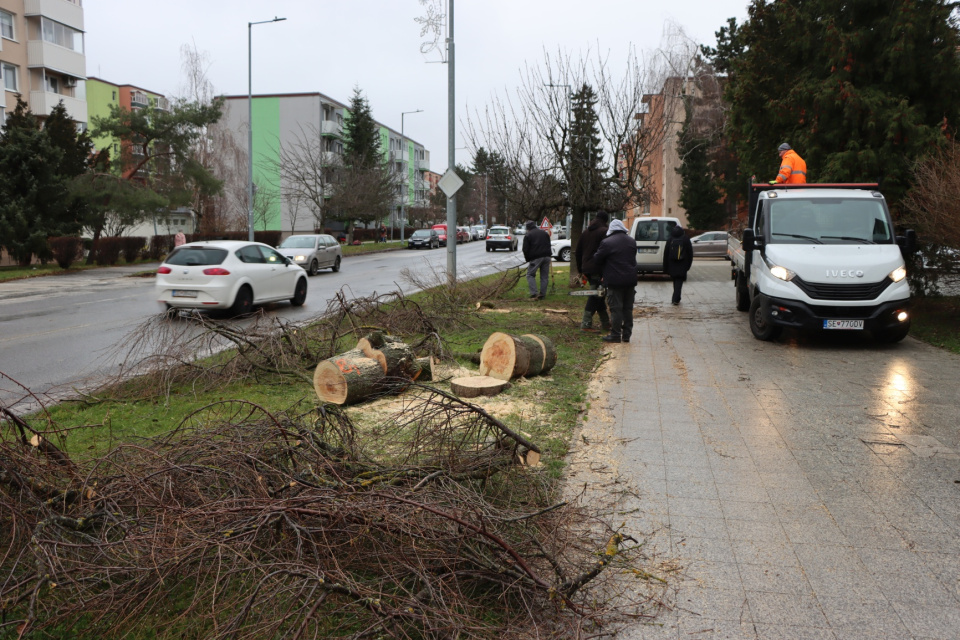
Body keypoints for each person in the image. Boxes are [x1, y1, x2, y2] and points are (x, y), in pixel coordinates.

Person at [589, 219, 637, 343]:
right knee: (627, 308)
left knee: (616, 308)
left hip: (615, 281)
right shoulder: (632, 241)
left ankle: (615, 335)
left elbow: (597, 258)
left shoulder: (607, 242)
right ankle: (627, 335)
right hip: (630, 280)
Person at [575, 211, 611, 333]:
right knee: (596, 295)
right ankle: (585, 324)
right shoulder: (604, 232)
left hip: (587, 267)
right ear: (605, 220)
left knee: (599, 294)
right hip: (597, 268)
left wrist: (581, 269)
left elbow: (578, 251)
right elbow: (606, 252)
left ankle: (606, 323)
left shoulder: (586, 232)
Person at [522, 221, 551, 300]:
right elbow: (549, 244)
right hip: (547, 256)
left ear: (528, 228)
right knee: (544, 277)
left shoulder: (528, 235)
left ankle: (534, 293)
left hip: (536, 257)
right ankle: (542, 295)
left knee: (530, 275)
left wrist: (528, 259)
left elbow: (525, 249)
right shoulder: (544, 233)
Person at [665, 225, 694, 305]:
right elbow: (690, 253)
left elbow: (666, 254)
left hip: (672, 264)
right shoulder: (685, 239)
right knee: (679, 281)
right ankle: (676, 298)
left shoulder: (670, 239)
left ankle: (676, 298)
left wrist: (665, 267)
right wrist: (688, 266)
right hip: (682, 264)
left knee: (675, 281)